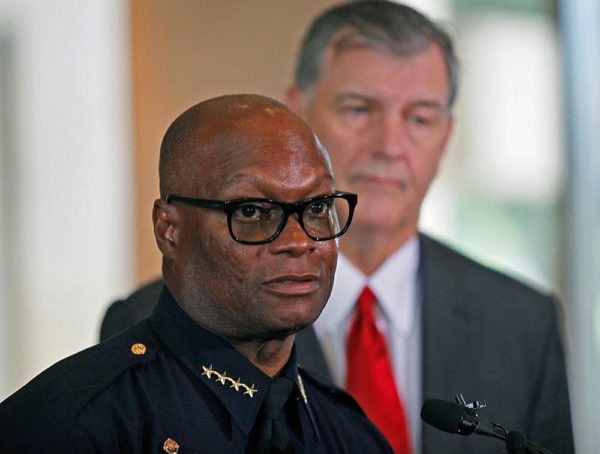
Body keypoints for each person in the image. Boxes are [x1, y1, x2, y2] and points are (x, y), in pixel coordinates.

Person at [100, 2, 575, 453]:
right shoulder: (150, 319)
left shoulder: (523, 324)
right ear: (295, 115)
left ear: (446, 135)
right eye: (359, 110)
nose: (390, 145)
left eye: (419, 118)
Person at [0, 94, 394, 453]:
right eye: (252, 211)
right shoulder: (70, 427)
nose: (298, 240)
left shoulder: (351, 435)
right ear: (169, 230)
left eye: (316, 208)